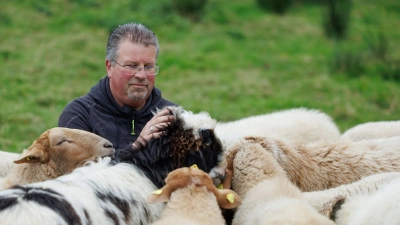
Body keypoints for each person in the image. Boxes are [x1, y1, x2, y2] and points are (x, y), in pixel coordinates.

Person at [58, 22, 177, 150]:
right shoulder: (79, 115)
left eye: (148, 67)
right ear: (110, 67)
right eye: (132, 66)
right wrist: (138, 148)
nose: (142, 75)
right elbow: (81, 170)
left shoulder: (173, 118)